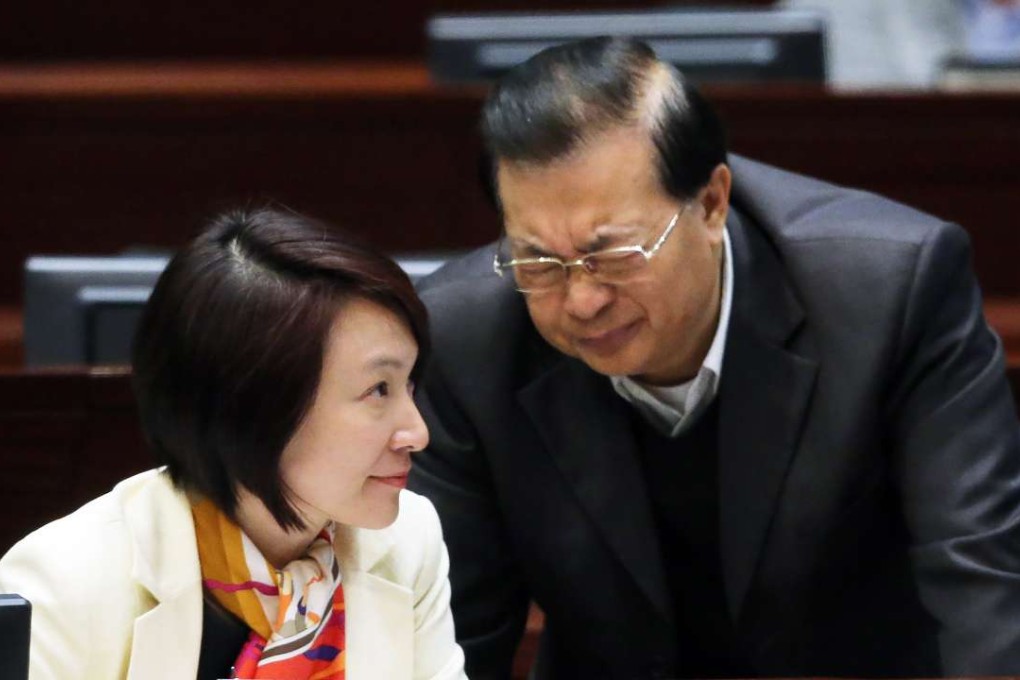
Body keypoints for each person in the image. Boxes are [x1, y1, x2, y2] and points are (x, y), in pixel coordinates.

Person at [408, 36, 1020, 679]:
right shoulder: (466, 337)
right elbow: (449, 634)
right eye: (540, 261)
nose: (582, 299)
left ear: (710, 204)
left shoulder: (890, 293)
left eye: (613, 255)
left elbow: (982, 582)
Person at [0, 207, 466, 680]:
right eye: (377, 391)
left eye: (409, 385)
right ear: (252, 407)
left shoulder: (408, 538)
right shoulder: (63, 585)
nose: (417, 433)